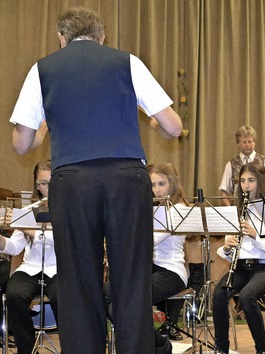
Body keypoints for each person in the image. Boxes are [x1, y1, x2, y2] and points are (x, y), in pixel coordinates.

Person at [9, 7, 183, 353]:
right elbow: (174, 127)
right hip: (126, 180)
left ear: (62, 38)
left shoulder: (41, 69)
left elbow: (22, 143)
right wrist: (150, 122)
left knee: (76, 282)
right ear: (102, 37)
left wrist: (47, 121)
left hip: (72, 182)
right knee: (132, 280)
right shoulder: (127, 62)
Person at [212, 162, 265, 354]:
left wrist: (256, 237)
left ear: (260, 182)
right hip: (241, 267)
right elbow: (228, 252)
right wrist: (227, 247)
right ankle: (222, 348)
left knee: (246, 296)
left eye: (251, 180)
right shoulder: (236, 211)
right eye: (242, 181)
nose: (246, 185)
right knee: (219, 294)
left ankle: (261, 348)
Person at [1, 160, 58, 354]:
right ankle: (25, 348)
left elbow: (59, 241)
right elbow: (15, 247)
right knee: (14, 294)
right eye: (41, 183)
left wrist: (26, 227)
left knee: (66, 297)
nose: (46, 188)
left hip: (60, 269)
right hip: (31, 267)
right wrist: (1, 239)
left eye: (50, 183)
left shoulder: (70, 210)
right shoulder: (27, 211)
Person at [147, 163, 189, 341]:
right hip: (150, 267)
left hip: (171, 271)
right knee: (110, 290)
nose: (157, 190)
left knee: (135, 295)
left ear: (172, 183)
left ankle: (151, 340)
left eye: (161, 184)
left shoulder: (179, 209)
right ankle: (145, 335)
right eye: (153, 184)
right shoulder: (153, 207)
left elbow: (150, 241)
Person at [219, 126, 265, 206]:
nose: (247, 145)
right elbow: (223, 192)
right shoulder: (230, 165)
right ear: (238, 143)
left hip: (261, 209)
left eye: (250, 142)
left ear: (255, 142)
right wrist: (231, 211)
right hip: (238, 210)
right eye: (244, 142)